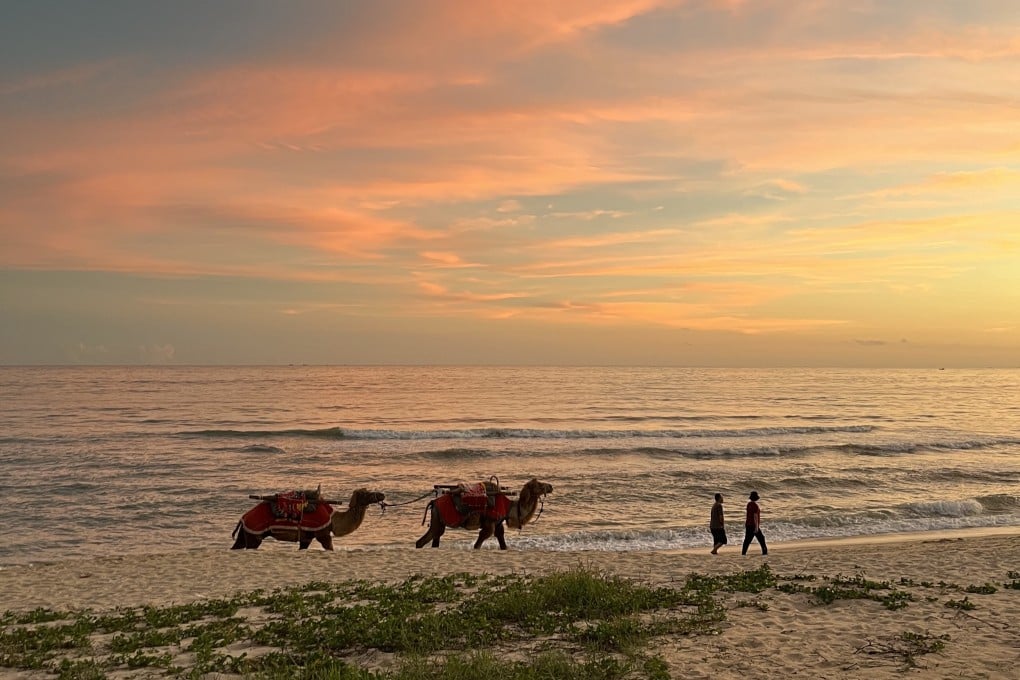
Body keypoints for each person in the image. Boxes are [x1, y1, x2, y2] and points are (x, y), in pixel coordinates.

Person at [741, 490, 768, 555]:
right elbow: (755, 517)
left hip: (748, 524)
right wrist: (756, 527)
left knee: (747, 540)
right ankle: (764, 552)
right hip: (753, 525)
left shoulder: (748, 504)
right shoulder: (755, 506)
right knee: (761, 539)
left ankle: (743, 553)